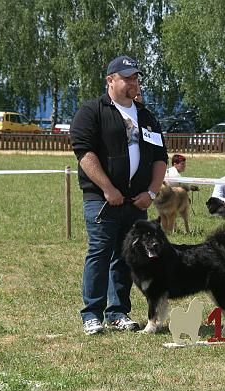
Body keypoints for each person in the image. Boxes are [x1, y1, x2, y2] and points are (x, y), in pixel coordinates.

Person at [70, 55, 168, 335]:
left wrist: (151, 191)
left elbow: (160, 157)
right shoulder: (92, 111)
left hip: (137, 202)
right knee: (99, 253)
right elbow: (84, 154)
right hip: (102, 201)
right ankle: (92, 314)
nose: (133, 83)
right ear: (110, 81)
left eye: (135, 77)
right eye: (126, 78)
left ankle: (118, 312)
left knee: (127, 258)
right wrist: (107, 188)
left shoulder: (146, 116)